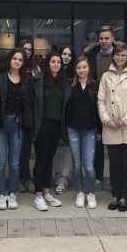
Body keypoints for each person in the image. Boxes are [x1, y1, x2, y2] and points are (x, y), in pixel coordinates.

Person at [98, 42, 127, 212]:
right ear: (113, 56)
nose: (120, 57)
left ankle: (124, 197)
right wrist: (106, 120)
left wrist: (125, 120)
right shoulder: (105, 76)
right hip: (110, 127)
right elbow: (100, 101)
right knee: (114, 164)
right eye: (117, 54)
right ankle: (115, 195)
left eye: (123, 55)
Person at [0, 47, 35, 210]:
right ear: (9, 59)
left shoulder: (27, 79)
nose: (17, 61)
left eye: (20, 59)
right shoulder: (0, 76)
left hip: (17, 125)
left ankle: (12, 194)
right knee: (1, 161)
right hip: (0, 124)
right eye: (14, 58)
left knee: (15, 162)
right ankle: (1, 195)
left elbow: (29, 103)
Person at [62, 56, 100, 209]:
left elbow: (100, 109)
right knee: (77, 164)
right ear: (75, 69)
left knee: (89, 165)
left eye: (84, 67)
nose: (81, 70)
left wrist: (99, 129)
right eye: (78, 68)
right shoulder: (69, 86)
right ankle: (80, 192)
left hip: (90, 130)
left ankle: (90, 192)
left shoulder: (95, 86)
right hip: (73, 129)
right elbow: (65, 109)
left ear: (89, 68)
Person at [31, 52, 66, 211]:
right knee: (41, 160)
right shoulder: (38, 80)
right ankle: (38, 196)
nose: (56, 64)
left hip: (56, 125)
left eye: (58, 62)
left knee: (49, 160)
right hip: (42, 124)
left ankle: (46, 193)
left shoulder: (63, 81)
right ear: (48, 63)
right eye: (53, 61)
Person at [84, 25, 116, 190]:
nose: (104, 41)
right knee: (97, 143)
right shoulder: (91, 55)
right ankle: (98, 177)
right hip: (96, 103)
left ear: (112, 39)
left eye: (107, 38)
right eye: (101, 38)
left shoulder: (120, 54)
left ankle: (115, 179)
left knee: (115, 144)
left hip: (116, 103)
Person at [17, 38, 40, 194]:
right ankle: (21, 178)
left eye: (29, 49)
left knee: (26, 148)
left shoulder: (36, 69)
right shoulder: (14, 66)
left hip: (31, 114)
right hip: (16, 114)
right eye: (24, 48)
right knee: (19, 151)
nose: (27, 52)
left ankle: (27, 178)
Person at [53, 44, 75, 194]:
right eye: (64, 54)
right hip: (54, 114)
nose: (66, 57)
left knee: (67, 146)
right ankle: (57, 174)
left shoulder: (74, 73)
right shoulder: (53, 72)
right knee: (55, 146)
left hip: (69, 115)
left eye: (69, 55)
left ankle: (65, 177)